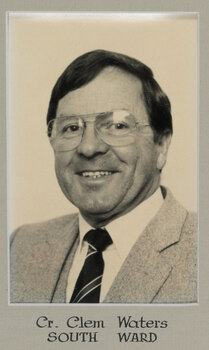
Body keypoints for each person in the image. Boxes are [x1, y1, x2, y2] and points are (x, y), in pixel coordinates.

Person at [10, 50, 197, 303]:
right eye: (72, 128)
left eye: (118, 126)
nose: (89, 148)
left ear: (161, 145)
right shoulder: (19, 247)